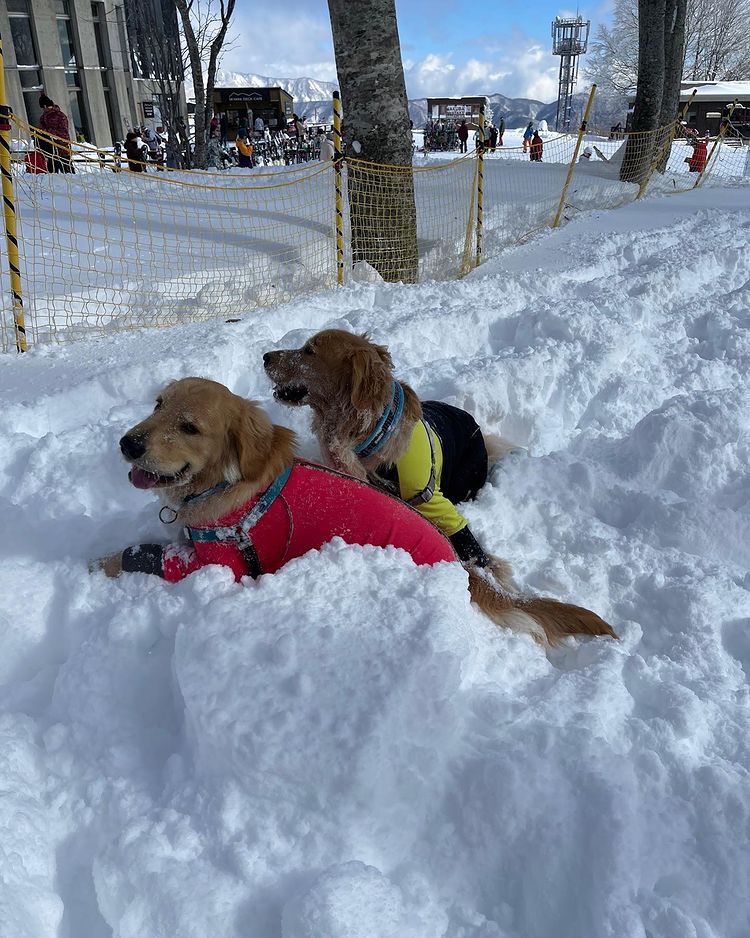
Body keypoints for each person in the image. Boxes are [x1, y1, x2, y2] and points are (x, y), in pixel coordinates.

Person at [38, 94, 74, 173]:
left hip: (61, 147)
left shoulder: (59, 115)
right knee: (53, 171)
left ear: (44, 106)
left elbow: (63, 132)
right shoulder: (45, 116)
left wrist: (46, 131)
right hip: (51, 148)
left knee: (67, 170)